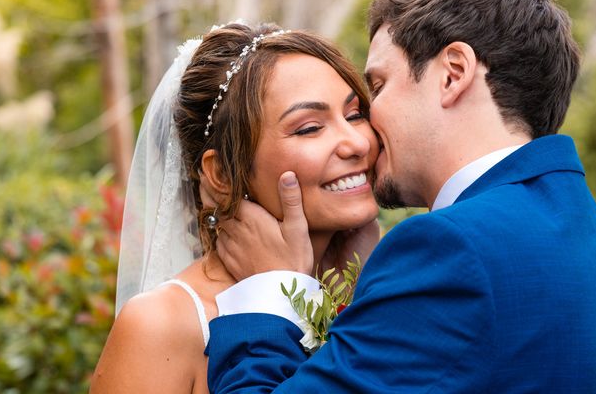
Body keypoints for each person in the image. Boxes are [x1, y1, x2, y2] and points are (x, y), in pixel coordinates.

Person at [205, 0, 596, 392]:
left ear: (453, 73)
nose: (363, 137)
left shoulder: (452, 251)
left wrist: (270, 287)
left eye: (378, 87)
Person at [89, 23, 381, 394]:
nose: (356, 142)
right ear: (222, 174)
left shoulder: (373, 286)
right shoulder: (162, 324)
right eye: (309, 128)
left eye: (355, 115)